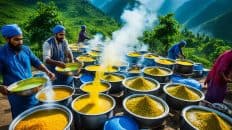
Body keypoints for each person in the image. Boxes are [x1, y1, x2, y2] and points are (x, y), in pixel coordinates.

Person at [0, 24, 55, 118]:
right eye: (16, 39)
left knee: (36, 114)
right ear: (6, 39)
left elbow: (37, 62)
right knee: (22, 118)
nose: (20, 42)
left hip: (32, 89)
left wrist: (47, 71)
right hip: (16, 95)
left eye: (21, 39)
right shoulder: (1, 54)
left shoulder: (25, 49)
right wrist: (0, 87)